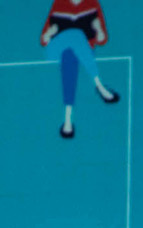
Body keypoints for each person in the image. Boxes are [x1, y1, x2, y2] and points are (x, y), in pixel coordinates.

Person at [39, 1, 120, 139]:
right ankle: (99, 85)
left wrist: (98, 28)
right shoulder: (59, 3)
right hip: (56, 49)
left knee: (69, 57)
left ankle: (68, 118)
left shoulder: (92, 3)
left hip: (81, 51)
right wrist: (49, 32)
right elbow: (44, 40)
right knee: (75, 34)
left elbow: (102, 39)